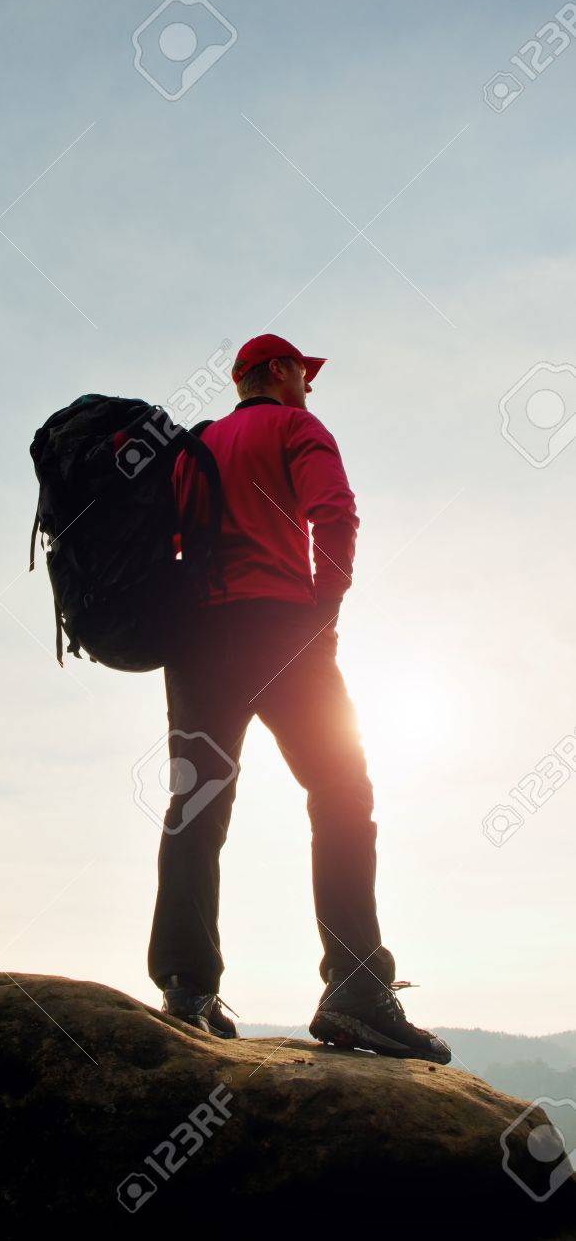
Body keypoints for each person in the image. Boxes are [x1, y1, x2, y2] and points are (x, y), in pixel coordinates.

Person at [149, 333, 450, 1064]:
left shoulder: (196, 448)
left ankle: (187, 990)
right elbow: (335, 515)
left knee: (197, 804)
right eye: (302, 375)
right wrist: (321, 610)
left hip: (197, 642)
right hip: (283, 629)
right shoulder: (296, 427)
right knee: (342, 795)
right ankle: (354, 985)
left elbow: (169, 543)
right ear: (278, 372)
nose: (308, 388)